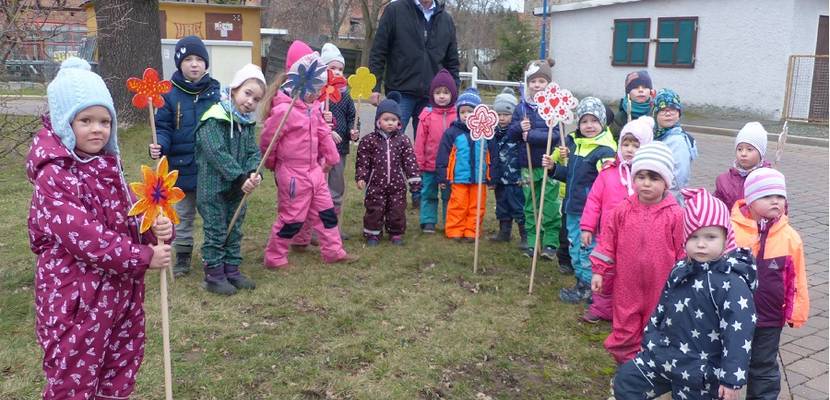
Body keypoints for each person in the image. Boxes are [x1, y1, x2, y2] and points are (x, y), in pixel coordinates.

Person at [27, 57, 173, 399]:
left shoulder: (108, 166)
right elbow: (84, 237)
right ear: (65, 122)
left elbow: (124, 216)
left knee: (118, 373)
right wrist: (141, 256)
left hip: (120, 297)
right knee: (74, 381)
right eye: (86, 120)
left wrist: (151, 228)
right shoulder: (55, 175)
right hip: (76, 302)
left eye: (105, 121)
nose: (98, 129)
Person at [613, 188, 757, 400]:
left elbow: (739, 333)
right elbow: (661, 309)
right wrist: (651, 341)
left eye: (711, 236)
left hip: (702, 372)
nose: (701, 244)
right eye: (694, 236)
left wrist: (731, 379)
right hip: (666, 356)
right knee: (626, 381)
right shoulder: (681, 269)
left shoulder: (732, 283)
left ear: (726, 238)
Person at [260, 41, 357, 269]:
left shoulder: (313, 108)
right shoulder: (284, 109)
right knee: (292, 217)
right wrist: (273, 163)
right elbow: (269, 139)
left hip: (314, 171)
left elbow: (323, 133)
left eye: (319, 89)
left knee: (326, 212)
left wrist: (331, 158)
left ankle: (333, 251)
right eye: (314, 89)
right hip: (293, 174)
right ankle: (275, 257)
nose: (317, 94)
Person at [590, 142, 685, 365]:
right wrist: (599, 272)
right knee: (624, 327)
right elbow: (607, 244)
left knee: (655, 328)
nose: (646, 183)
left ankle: (648, 370)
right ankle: (625, 371)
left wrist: (682, 281)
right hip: (627, 285)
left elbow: (682, 252)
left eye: (654, 178)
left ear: (666, 182)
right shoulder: (621, 210)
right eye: (641, 177)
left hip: (660, 287)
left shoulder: (675, 215)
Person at [368, 0, 460, 208]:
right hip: (399, 92)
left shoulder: (445, 19)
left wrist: (454, 92)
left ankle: (421, 194)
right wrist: (374, 85)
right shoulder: (395, 10)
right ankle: (379, 191)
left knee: (430, 148)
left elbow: (452, 60)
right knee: (387, 144)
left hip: (433, 97)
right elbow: (379, 49)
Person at [731, 168, 809, 399]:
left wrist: (796, 313)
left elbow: (797, 279)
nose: (775, 201)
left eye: (780, 196)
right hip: (732, 316)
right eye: (767, 196)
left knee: (763, 366)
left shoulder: (789, 238)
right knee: (727, 359)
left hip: (770, 317)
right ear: (751, 199)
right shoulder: (731, 231)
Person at [150, 35, 220, 277]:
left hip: (211, 168)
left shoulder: (215, 93)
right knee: (183, 216)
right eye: (188, 59)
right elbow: (163, 127)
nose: (194, 64)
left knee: (212, 214)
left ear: (205, 64)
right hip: (181, 167)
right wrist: (160, 144)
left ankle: (215, 256)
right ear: (179, 63)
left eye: (199, 59)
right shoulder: (169, 94)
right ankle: (182, 257)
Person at [194, 64, 265, 295]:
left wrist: (254, 172)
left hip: (238, 189)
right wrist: (239, 176)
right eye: (247, 93)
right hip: (213, 188)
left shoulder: (246, 123)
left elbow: (253, 152)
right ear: (234, 89)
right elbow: (216, 152)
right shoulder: (214, 118)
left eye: (256, 99)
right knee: (216, 228)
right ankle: (213, 273)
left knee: (234, 227)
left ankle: (231, 269)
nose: (250, 102)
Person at [580, 116, 654, 323]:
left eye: (636, 145)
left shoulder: (647, 178)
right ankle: (601, 308)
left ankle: (625, 312)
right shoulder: (608, 173)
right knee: (605, 273)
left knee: (630, 277)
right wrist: (587, 227)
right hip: (607, 236)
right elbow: (594, 201)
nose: (629, 149)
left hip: (635, 238)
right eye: (626, 143)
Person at [542, 97, 616, 304]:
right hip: (573, 208)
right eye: (584, 121)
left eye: (594, 120)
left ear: (602, 122)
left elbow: (609, 185)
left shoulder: (604, 152)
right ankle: (581, 283)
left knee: (587, 250)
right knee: (575, 247)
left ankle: (588, 289)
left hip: (590, 213)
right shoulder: (577, 146)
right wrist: (554, 169)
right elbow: (571, 177)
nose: (589, 125)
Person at [507, 59, 562, 261]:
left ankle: (550, 243)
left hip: (548, 163)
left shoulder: (554, 107)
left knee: (549, 204)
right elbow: (511, 135)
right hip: (527, 164)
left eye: (541, 81)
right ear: (528, 84)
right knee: (530, 204)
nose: (537, 85)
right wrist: (519, 128)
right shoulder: (521, 109)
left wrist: (530, 136)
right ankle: (532, 242)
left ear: (548, 83)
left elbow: (555, 135)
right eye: (533, 81)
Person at [355, 92, 421, 245]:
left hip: (397, 184)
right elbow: (362, 161)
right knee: (374, 208)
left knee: (397, 209)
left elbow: (409, 161)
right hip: (375, 183)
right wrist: (361, 177)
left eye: (393, 120)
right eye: (386, 119)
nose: (390, 123)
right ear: (378, 121)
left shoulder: (403, 140)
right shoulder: (369, 140)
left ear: (399, 122)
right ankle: (372, 234)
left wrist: (414, 179)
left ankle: (396, 233)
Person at [435, 88, 494, 241]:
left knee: (477, 206)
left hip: (479, 178)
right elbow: (443, 156)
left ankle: (471, 231)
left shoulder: (485, 133)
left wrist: (492, 175)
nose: (466, 115)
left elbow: (491, 155)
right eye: (463, 112)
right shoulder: (452, 133)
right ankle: (455, 230)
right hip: (459, 177)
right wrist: (442, 176)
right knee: (458, 204)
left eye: (470, 112)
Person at [320, 42, 359, 239]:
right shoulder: (319, 95)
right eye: (332, 68)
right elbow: (313, 119)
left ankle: (333, 228)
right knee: (319, 187)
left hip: (340, 149)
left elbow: (353, 116)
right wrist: (327, 131)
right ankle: (316, 229)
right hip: (320, 151)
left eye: (340, 69)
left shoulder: (345, 96)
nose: (337, 72)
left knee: (336, 187)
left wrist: (354, 130)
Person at [415, 68, 457, 233]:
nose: (441, 96)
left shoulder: (457, 116)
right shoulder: (426, 116)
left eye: (445, 92)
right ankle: (428, 220)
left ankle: (450, 221)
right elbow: (420, 141)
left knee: (449, 195)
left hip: (450, 166)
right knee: (429, 193)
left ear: (452, 94)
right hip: (430, 164)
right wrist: (418, 163)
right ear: (432, 94)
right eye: (438, 92)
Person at [489, 87, 526, 247]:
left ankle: (525, 236)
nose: (502, 118)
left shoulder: (518, 134)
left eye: (506, 114)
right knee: (502, 206)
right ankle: (504, 232)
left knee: (519, 207)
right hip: (500, 178)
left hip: (515, 178)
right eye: (498, 114)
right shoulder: (492, 133)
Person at [653, 88, 698, 203]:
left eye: (673, 109)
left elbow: (679, 179)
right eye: (662, 109)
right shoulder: (658, 136)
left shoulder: (678, 141)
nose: (668, 113)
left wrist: (664, 201)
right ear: (655, 114)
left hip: (669, 201)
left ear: (679, 114)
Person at [714, 122, 771, 211]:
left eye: (749, 149)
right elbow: (716, 207)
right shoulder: (724, 180)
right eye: (739, 149)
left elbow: (778, 210)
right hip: (730, 224)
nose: (743, 154)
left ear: (760, 153)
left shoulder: (768, 178)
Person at [608, 70, 654, 139]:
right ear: (628, 93)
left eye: (645, 87)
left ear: (651, 91)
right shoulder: (621, 116)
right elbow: (614, 138)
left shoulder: (655, 112)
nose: (641, 90)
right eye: (635, 87)